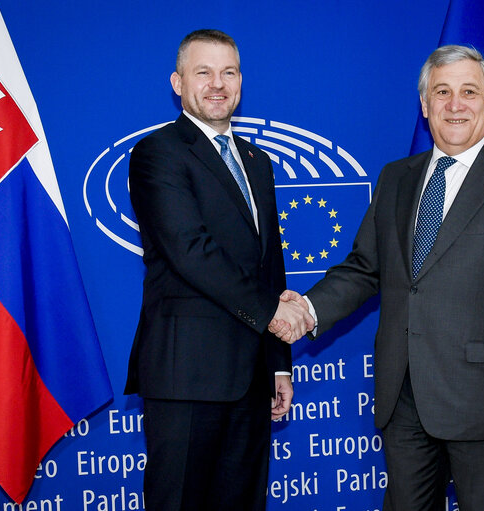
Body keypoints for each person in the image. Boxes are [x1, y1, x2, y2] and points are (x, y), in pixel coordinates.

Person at [272, 45, 484, 511]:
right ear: (425, 104)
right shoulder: (396, 178)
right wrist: (306, 310)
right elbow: (365, 269)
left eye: (469, 92)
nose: (456, 105)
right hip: (405, 398)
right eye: (442, 92)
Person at [124, 29, 313, 511]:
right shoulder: (158, 154)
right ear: (177, 82)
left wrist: (277, 363)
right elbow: (191, 251)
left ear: (241, 82)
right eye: (203, 72)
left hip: (251, 377)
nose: (217, 84)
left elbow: (270, 264)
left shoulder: (258, 161)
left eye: (228, 72)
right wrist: (274, 313)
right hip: (187, 374)